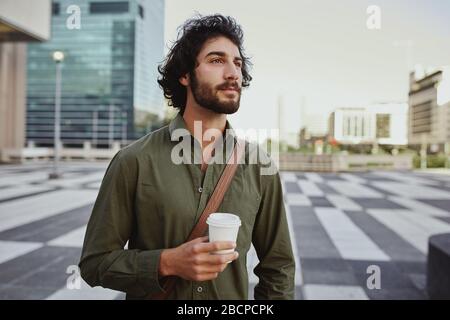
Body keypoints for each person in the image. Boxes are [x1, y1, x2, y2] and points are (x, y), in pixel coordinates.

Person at [79, 14, 295, 300]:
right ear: (185, 75)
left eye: (238, 63)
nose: (232, 73)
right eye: (216, 60)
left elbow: (278, 268)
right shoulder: (134, 161)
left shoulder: (260, 165)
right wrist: (166, 262)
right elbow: (95, 264)